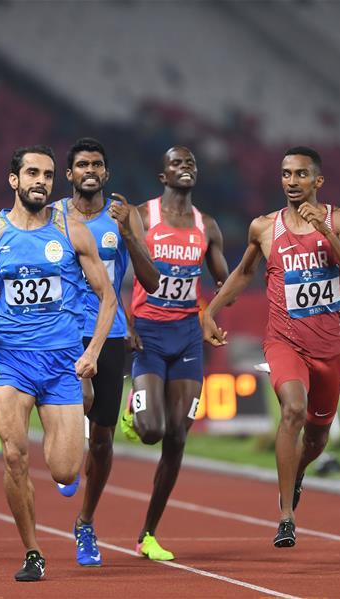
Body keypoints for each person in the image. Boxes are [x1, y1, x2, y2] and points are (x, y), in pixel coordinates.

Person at [0, 145, 116, 582]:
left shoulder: (73, 231)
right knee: (14, 456)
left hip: (63, 363)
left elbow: (108, 297)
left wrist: (93, 351)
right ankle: (33, 551)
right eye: (32, 173)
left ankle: (70, 425)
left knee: (63, 469)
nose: (41, 181)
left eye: (47, 174)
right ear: (14, 180)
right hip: (11, 361)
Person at [203, 146, 340, 548]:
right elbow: (243, 273)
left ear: (317, 181)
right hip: (284, 341)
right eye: (285, 174)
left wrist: (327, 234)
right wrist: (211, 311)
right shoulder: (264, 227)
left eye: (300, 174)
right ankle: (286, 516)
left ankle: (296, 476)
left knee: (316, 438)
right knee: (292, 409)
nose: (291, 181)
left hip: (328, 348)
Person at [119, 146, 228, 561]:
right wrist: (125, 323)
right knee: (151, 430)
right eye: (177, 163)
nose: (186, 168)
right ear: (162, 175)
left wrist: (212, 314)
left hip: (185, 336)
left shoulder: (208, 226)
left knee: (178, 436)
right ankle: (134, 407)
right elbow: (115, 271)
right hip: (147, 333)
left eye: (192, 163)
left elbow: (222, 279)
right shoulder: (142, 216)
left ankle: (148, 533)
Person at [54, 138, 159, 566]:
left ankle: (85, 523)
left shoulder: (124, 216)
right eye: (82, 164)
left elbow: (150, 281)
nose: (90, 170)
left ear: (107, 173)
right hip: (60, 332)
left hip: (109, 333)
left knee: (101, 441)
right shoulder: (53, 214)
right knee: (80, 398)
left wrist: (131, 233)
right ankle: (64, 455)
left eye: (97, 163)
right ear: (70, 174)